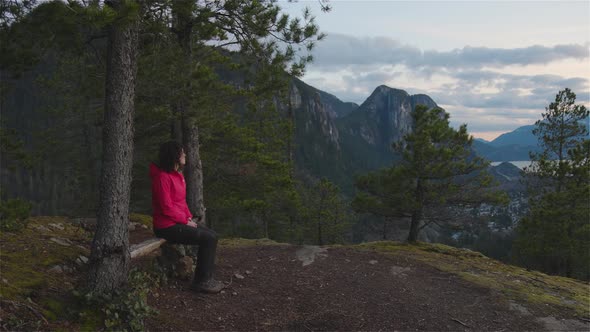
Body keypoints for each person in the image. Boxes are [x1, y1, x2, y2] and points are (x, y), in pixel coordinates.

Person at [150, 141, 225, 293]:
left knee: (212, 235)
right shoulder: (162, 177)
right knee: (208, 238)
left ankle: (206, 278)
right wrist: (184, 220)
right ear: (174, 156)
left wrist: (188, 217)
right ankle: (201, 282)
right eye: (181, 152)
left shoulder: (177, 175)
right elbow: (166, 207)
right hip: (166, 227)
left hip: (176, 222)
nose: (184, 155)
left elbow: (181, 201)